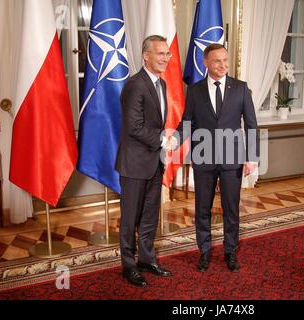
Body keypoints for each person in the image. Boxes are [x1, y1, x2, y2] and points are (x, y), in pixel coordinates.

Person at [175, 43, 259, 272]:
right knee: (202, 208)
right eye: (216, 61)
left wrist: (252, 157)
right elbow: (187, 122)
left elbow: (251, 125)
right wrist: (173, 139)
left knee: (231, 208)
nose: (222, 65)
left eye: (225, 60)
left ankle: (230, 252)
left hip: (233, 159)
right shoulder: (194, 90)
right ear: (206, 63)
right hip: (203, 158)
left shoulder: (241, 88)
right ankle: (204, 251)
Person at [115, 35, 173, 287]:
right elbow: (133, 127)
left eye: (167, 54)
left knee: (150, 216)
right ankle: (128, 265)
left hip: (153, 162)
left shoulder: (162, 84)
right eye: (160, 54)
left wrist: (162, 146)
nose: (166, 59)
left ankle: (147, 259)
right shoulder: (134, 85)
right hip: (134, 163)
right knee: (130, 218)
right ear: (145, 56)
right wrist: (163, 141)